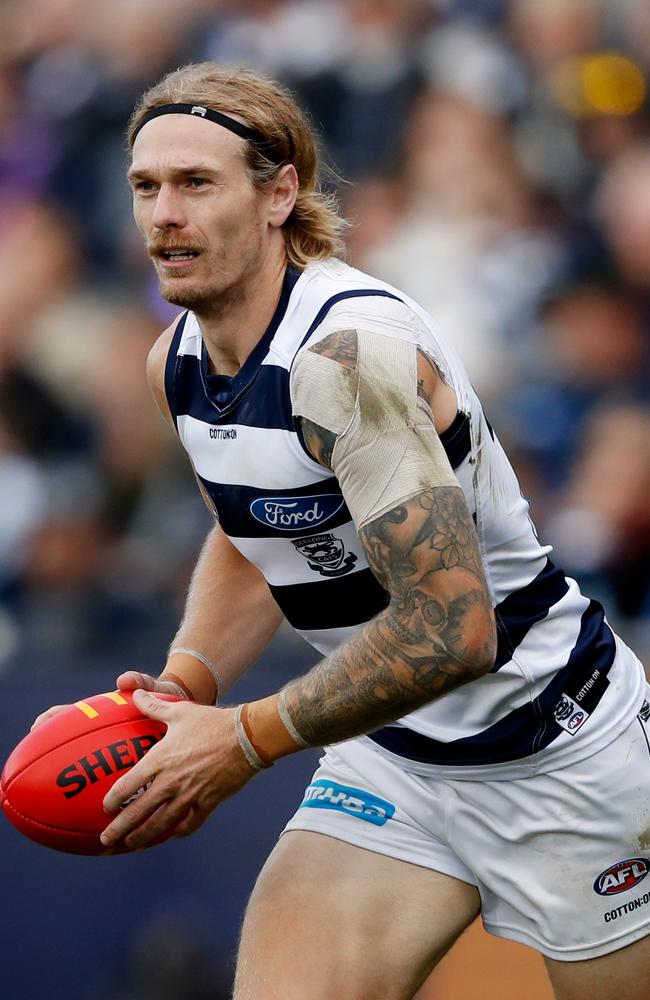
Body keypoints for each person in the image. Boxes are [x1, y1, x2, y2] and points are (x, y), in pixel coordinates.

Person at [34, 63, 650, 1000]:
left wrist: (242, 740)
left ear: (281, 191)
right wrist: (186, 685)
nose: (163, 214)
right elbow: (254, 537)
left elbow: (453, 627)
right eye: (145, 187)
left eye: (197, 183)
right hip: (395, 756)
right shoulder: (180, 362)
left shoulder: (343, 362)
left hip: (555, 748)